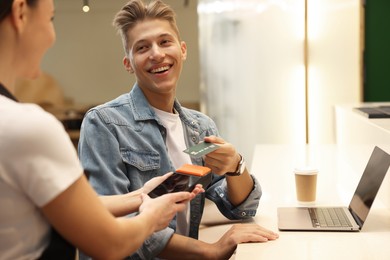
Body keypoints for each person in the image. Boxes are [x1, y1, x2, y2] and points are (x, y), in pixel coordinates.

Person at [0, 0, 203, 259]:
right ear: (20, 13)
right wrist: (152, 217)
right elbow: (110, 243)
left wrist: (141, 195)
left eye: (165, 42)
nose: (52, 37)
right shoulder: (27, 126)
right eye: (51, 19)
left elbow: (76, 207)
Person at [78, 0, 279, 259]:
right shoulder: (104, 124)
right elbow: (114, 227)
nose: (156, 54)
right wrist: (209, 250)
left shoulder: (200, 126)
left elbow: (240, 208)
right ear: (128, 63)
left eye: (165, 42)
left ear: (182, 50)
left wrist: (235, 166)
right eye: (142, 47)